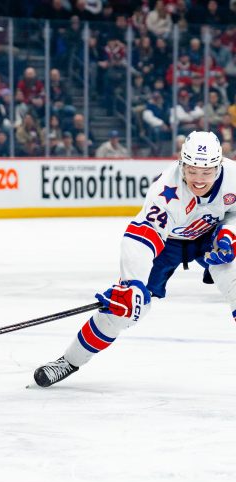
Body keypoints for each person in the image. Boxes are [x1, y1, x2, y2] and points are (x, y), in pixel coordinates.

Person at [34, 131, 236, 387]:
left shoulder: (234, 177)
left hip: (212, 235)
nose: (198, 179)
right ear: (181, 164)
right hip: (168, 243)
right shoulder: (165, 191)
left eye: (206, 172)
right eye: (192, 170)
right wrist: (133, 285)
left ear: (219, 166)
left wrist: (229, 235)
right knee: (123, 311)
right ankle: (69, 361)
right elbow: (141, 238)